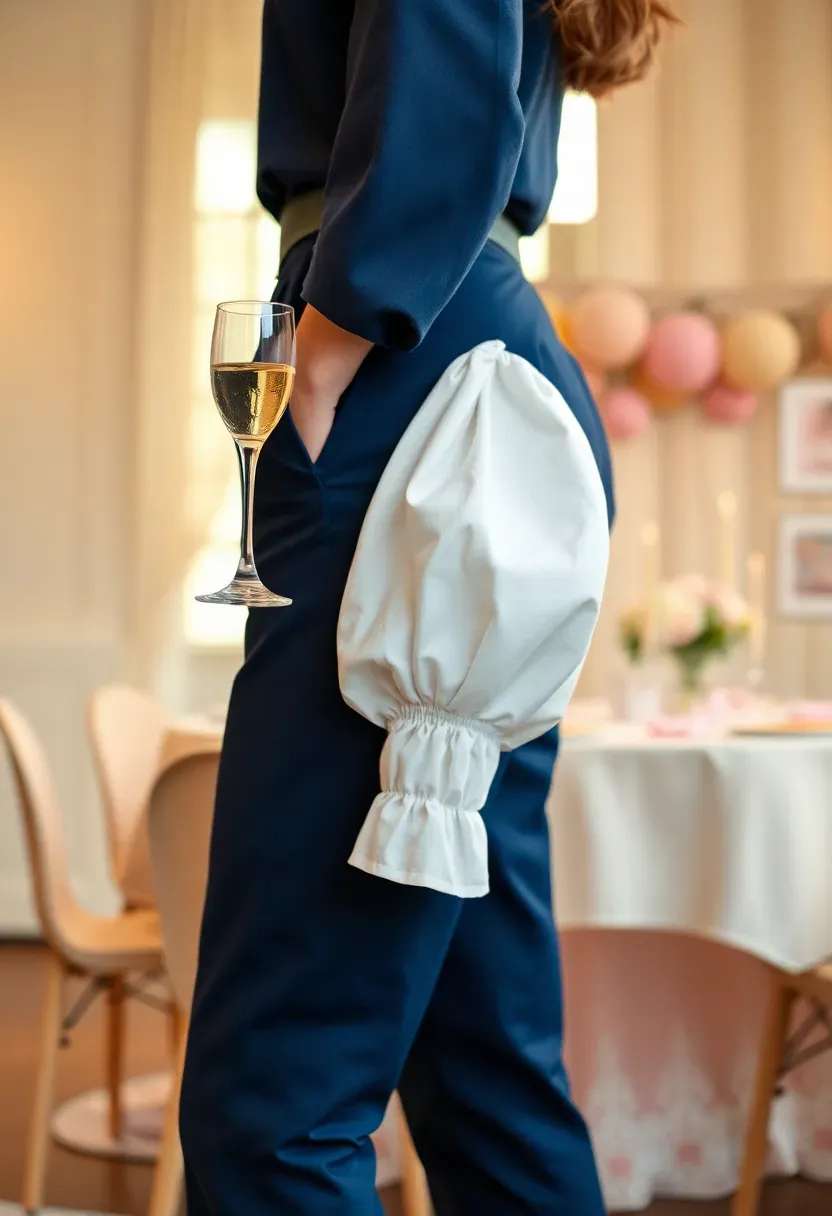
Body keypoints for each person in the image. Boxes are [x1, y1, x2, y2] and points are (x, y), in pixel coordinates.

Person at [179, 1, 674, 1212]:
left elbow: (438, 79)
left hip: (397, 366)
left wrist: (333, 346)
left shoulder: (369, 333)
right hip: (470, 358)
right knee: (483, 1055)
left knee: (278, 1087)